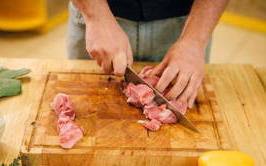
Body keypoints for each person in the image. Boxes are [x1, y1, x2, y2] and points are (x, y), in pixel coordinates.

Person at [68, 0, 228, 108]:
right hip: (95, 15)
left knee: (183, 99)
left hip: (190, 20)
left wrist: (195, 40)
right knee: (86, 102)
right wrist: (96, 15)